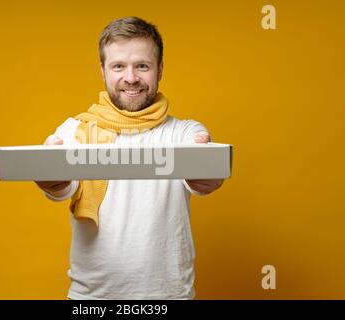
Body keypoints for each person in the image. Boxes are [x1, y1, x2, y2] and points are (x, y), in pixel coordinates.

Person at [35, 16, 224, 300]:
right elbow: (62, 187)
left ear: (159, 69)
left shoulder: (185, 132)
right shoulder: (74, 132)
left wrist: (206, 171)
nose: (131, 77)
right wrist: (50, 174)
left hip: (169, 298)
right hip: (92, 300)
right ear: (103, 71)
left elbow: (205, 174)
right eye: (118, 66)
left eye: (142, 66)